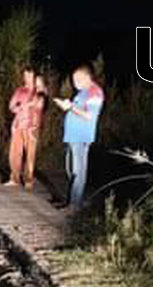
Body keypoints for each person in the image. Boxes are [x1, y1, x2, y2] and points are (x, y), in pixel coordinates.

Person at [53, 65, 104, 210]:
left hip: (81, 136)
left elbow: (89, 115)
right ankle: (73, 201)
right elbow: (77, 110)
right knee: (73, 170)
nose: (74, 82)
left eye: (77, 79)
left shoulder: (95, 93)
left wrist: (71, 107)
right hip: (74, 136)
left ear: (87, 77)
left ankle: (74, 204)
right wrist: (66, 106)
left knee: (78, 170)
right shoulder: (83, 93)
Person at [5, 67, 42, 189]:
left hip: (31, 127)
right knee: (15, 153)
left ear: (34, 77)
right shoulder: (20, 90)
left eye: (29, 76)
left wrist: (30, 104)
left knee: (30, 155)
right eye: (25, 75)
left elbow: (40, 105)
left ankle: (28, 180)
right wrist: (19, 108)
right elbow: (11, 106)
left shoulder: (39, 91)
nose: (27, 78)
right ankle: (14, 178)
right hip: (18, 125)